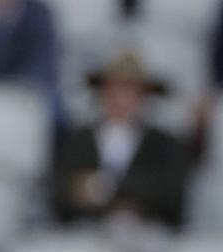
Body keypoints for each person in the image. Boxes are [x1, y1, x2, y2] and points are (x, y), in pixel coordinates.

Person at [52, 52, 189, 229]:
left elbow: (171, 195)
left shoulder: (165, 143)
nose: (120, 99)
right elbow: (60, 194)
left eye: (129, 91)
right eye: (113, 89)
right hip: (87, 233)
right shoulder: (79, 139)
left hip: (147, 234)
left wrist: (105, 187)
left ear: (144, 97)